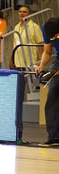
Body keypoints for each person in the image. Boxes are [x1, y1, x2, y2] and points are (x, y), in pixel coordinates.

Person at [35, 17, 59, 146]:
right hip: (58, 61)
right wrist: (42, 65)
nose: (54, 38)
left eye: (56, 36)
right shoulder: (46, 28)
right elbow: (48, 51)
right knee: (52, 98)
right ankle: (54, 137)